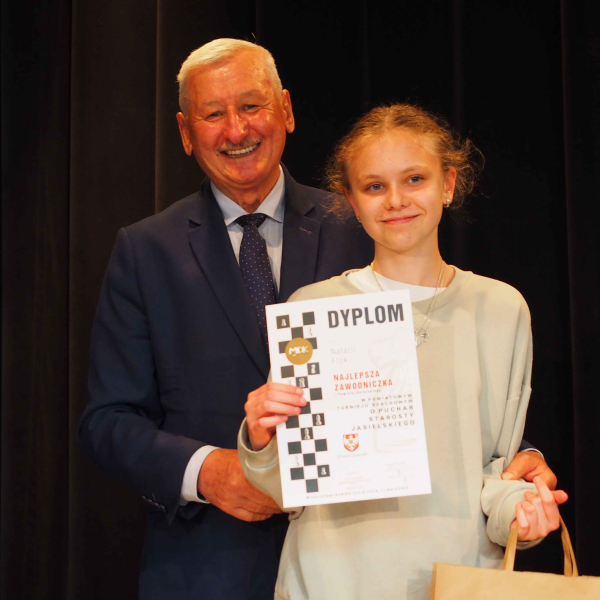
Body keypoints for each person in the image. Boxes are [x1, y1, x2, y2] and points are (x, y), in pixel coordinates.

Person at [77, 38, 555, 600]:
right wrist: (210, 471)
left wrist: (519, 464)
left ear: (285, 109)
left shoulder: (373, 226)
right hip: (215, 565)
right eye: (213, 114)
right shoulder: (145, 251)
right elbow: (108, 420)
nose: (236, 129)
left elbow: (450, 396)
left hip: (394, 560)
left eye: (251, 105)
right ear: (185, 131)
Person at [240, 104, 568, 600]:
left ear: (448, 184)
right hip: (328, 582)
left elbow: (498, 470)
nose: (396, 200)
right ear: (352, 202)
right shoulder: (311, 310)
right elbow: (286, 489)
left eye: (415, 179)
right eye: (374, 186)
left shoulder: (501, 309)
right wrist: (261, 437)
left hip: (455, 583)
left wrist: (523, 513)